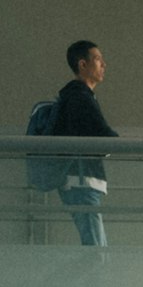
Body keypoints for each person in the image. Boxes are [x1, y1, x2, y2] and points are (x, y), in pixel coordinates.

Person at [49, 38, 116, 246]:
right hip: (82, 181)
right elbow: (103, 135)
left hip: (80, 181)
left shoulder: (75, 96)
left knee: (96, 250)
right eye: (97, 59)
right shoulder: (80, 96)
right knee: (96, 253)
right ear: (82, 64)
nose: (103, 65)